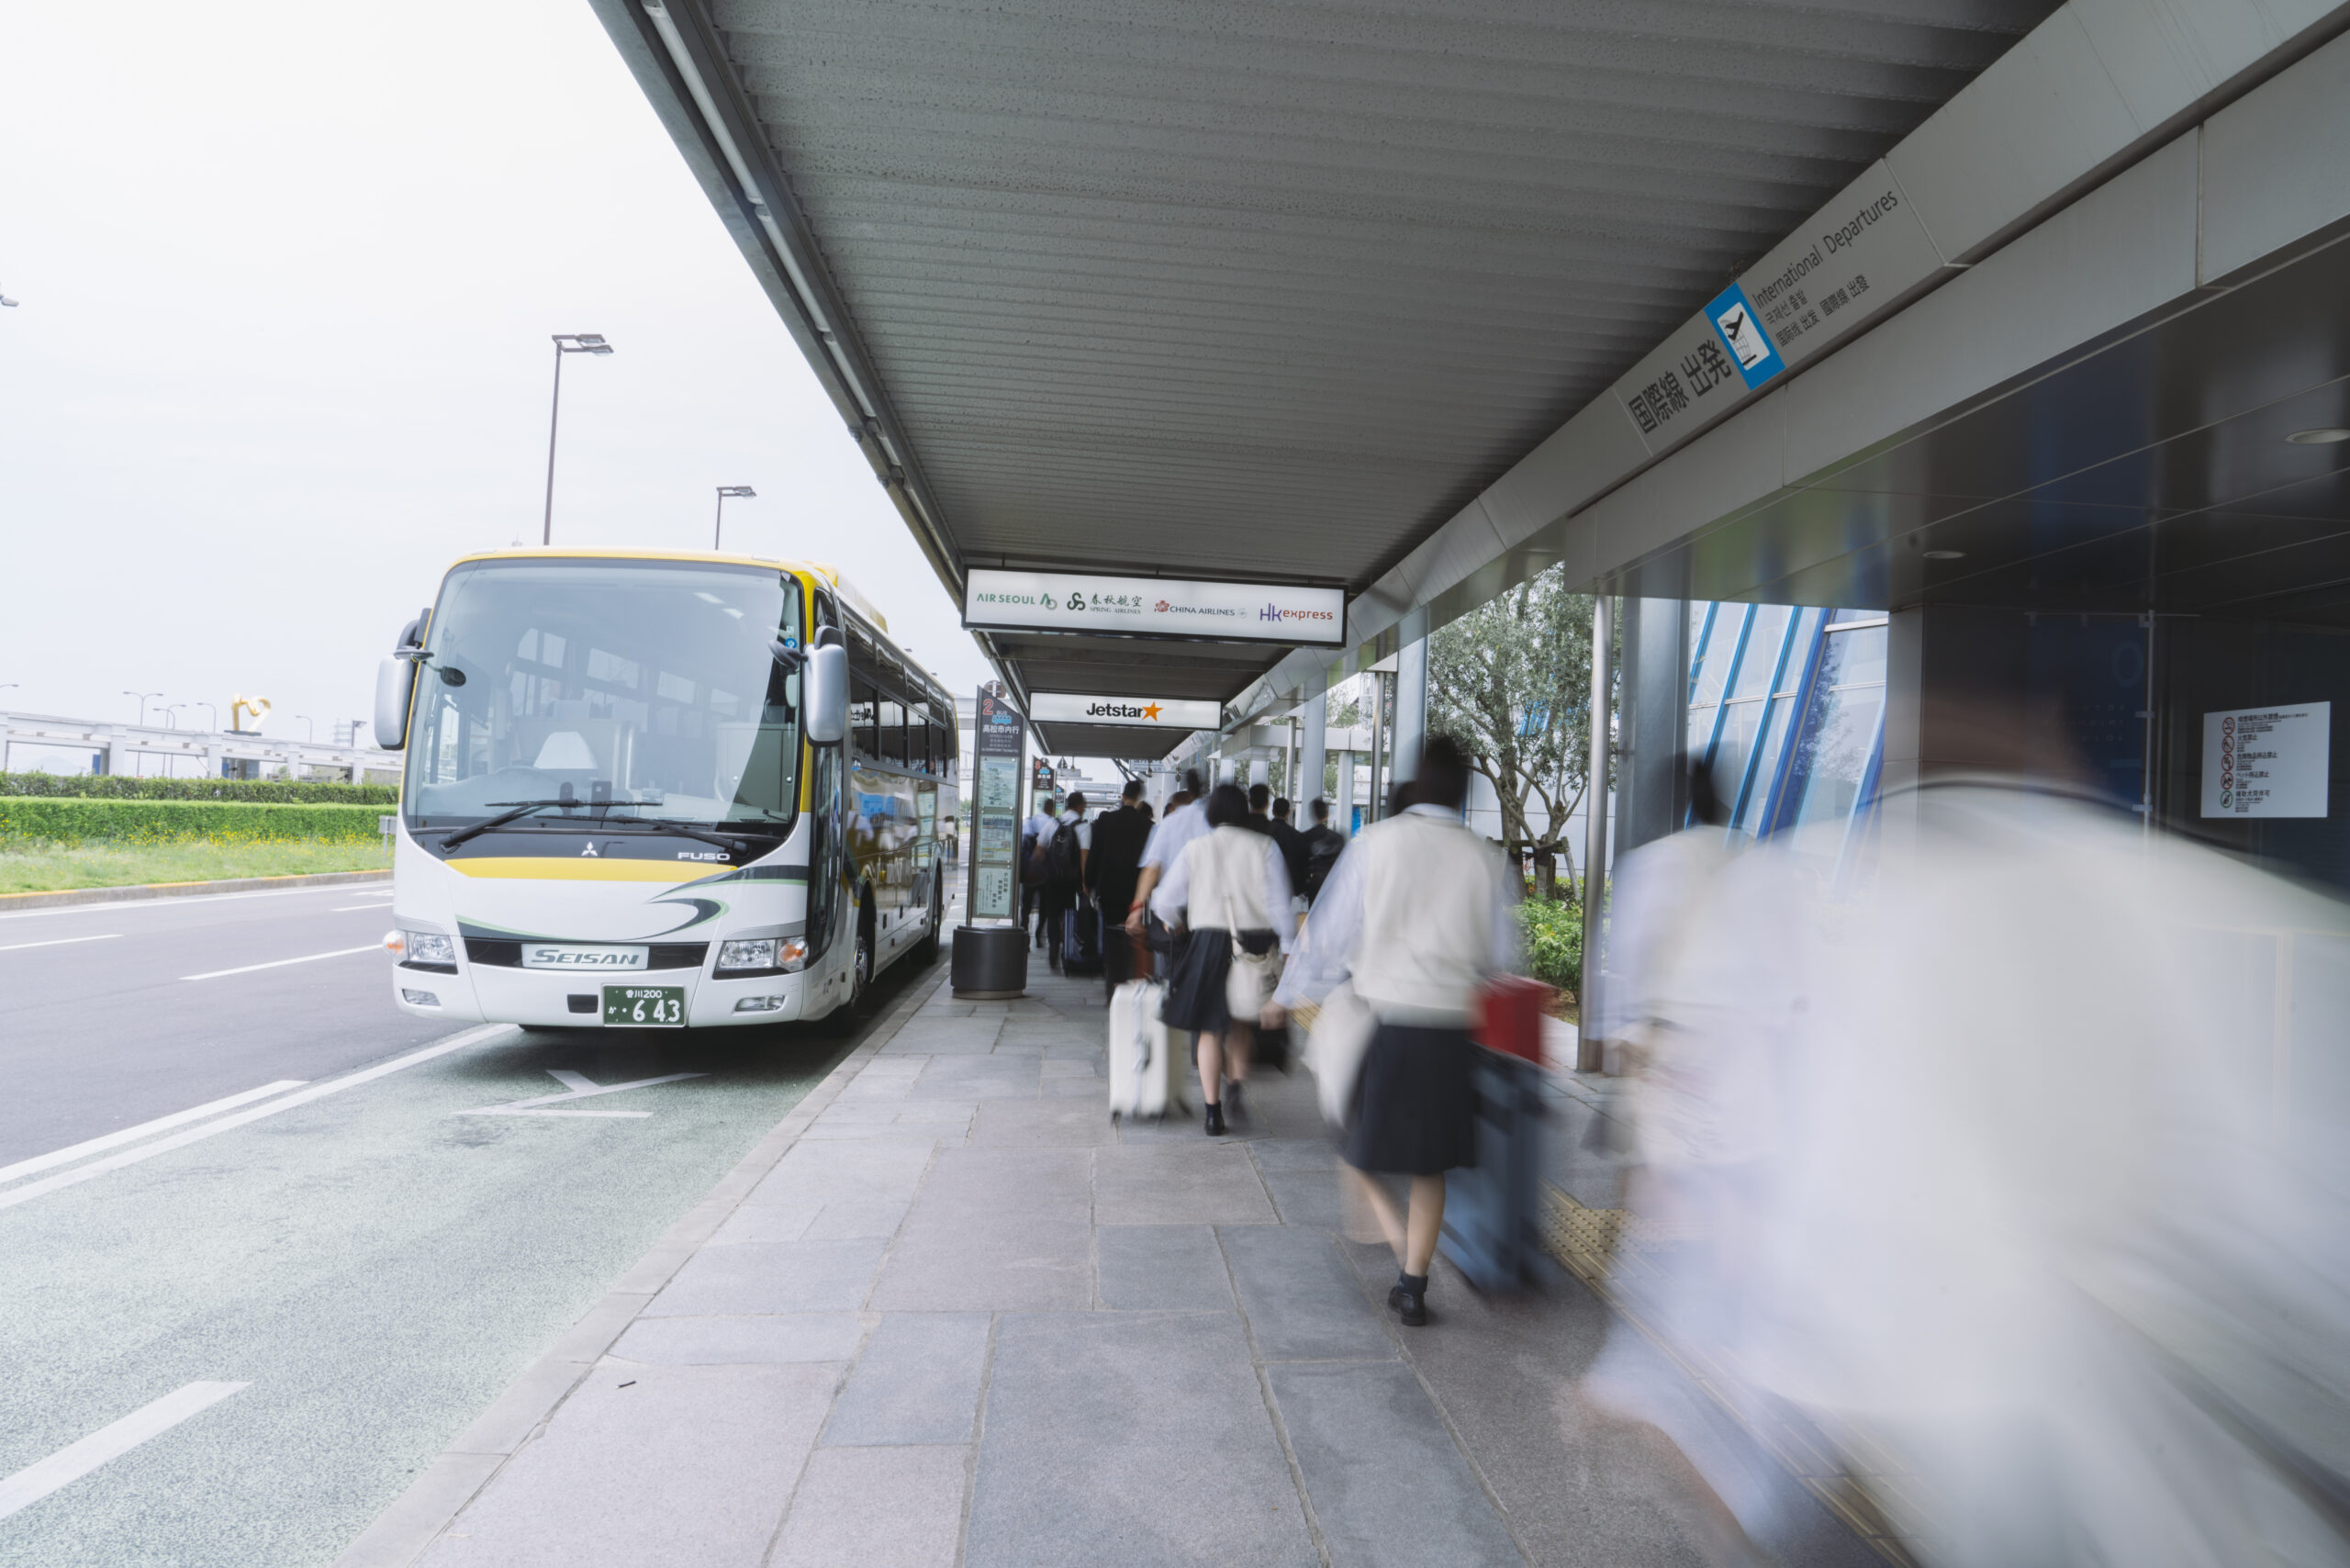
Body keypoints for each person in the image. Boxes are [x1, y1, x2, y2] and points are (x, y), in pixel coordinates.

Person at [1270, 737, 1516, 1326]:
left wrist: (1285, 996)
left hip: (1386, 1023)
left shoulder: (1377, 844)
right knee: (1429, 1166)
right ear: (1463, 791)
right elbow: (1503, 958)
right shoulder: (1486, 857)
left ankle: (1400, 1243)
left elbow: (1327, 932)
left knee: (1357, 1148)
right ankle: (1413, 1284)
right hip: (1451, 1032)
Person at [1151, 783, 1295, 1136]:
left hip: (1207, 943)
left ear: (1212, 812)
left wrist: (1177, 921)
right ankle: (1235, 1086)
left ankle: (1212, 1112)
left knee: (1210, 1030)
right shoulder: (1266, 847)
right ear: (1243, 811)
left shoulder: (1196, 848)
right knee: (1243, 1019)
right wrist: (1290, 948)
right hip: (1254, 944)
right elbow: (1280, 906)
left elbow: (1164, 900)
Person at [1126, 768, 1210, 980]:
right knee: (1206, 969)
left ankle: (1173, 1002)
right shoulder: (1213, 823)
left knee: (1172, 969)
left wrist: (1136, 909)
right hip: (1209, 911)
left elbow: (1152, 869)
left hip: (1172, 912)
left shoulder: (1169, 824)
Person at [1086, 779, 1153, 993]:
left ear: (1123, 796)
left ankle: (1113, 987)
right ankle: (1132, 986)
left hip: (1109, 890)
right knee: (1134, 938)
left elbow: (1094, 854)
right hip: (1136, 893)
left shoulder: (1106, 820)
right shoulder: (1148, 826)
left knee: (1113, 938)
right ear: (1140, 799)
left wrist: (1089, 883)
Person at [1040, 791, 1090, 973]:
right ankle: (1066, 951)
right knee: (1069, 915)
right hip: (1072, 881)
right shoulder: (1083, 827)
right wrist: (1085, 883)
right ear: (1080, 805)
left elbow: (1039, 849)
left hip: (1052, 879)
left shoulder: (1052, 824)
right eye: (1084, 805)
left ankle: (1054, 943)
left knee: (1052, 915)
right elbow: (1084, 856)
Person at [1020, 795, 1058, 948]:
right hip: (1046, 873)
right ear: (1051, 809)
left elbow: (1024, 844)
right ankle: (1038, 933)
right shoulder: (1053, 824)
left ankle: (1025, 937)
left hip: (1030, 872)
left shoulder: (1030, 821)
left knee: (1026, 906)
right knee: (1044, 907)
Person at [1297, 798, 1345, 906]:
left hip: (1314, 884)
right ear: (1326, 814)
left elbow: (1301, 864)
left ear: (1312, 815)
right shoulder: (1338, 838)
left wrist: (1303, 888)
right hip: (1333, 885)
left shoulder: (1305, 837)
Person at [1268, 796, 1308, 895]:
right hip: (1286, 885)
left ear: (1273, 811)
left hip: (1265, 881)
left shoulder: (1264, 831)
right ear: (1288, 812)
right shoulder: (1296, 835)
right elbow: (1301, 863)